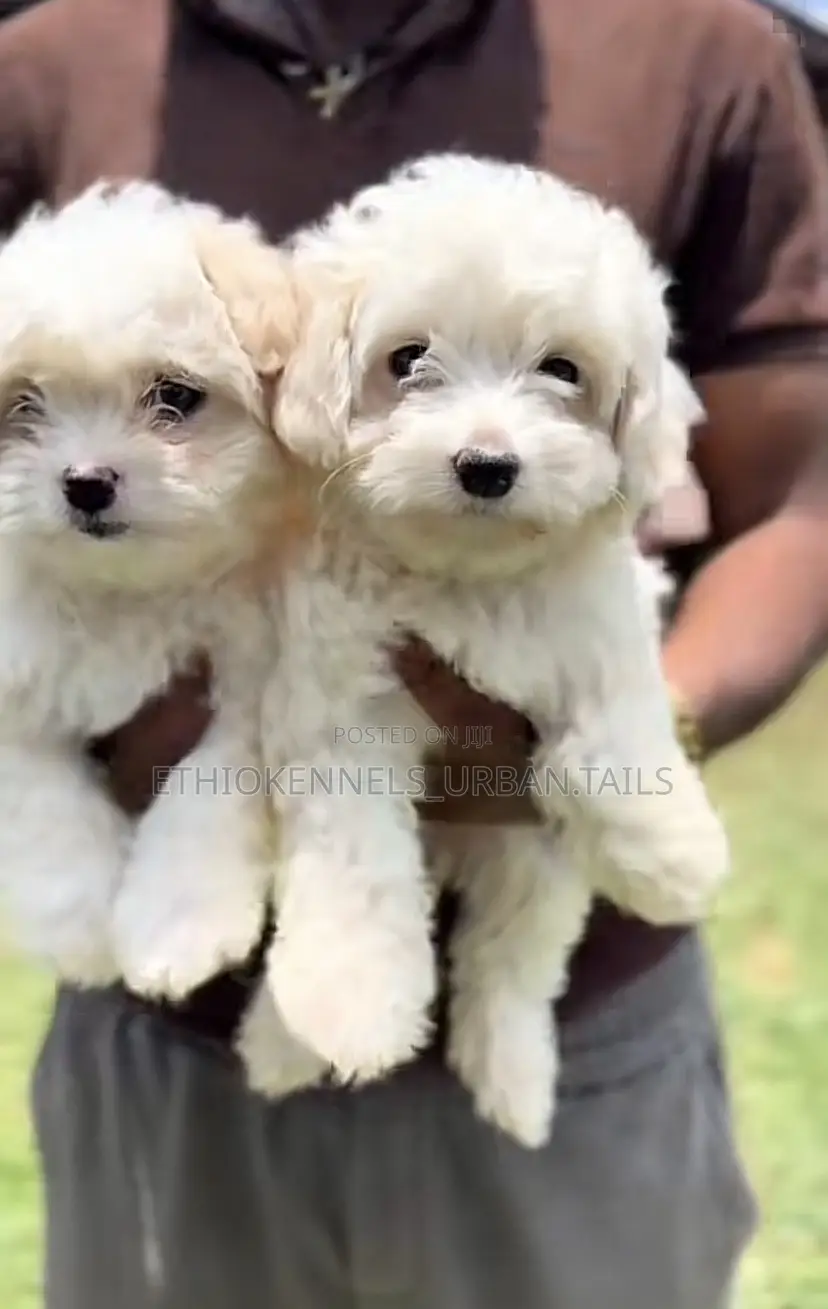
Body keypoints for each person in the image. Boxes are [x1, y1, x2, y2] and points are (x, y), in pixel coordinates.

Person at [3, 0, 828, 1305]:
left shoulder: (705, 50)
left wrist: (616, 747)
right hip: (169, 1033)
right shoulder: (46, 64)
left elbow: (800, 501)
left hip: (591, 1033)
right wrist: (110, 740)